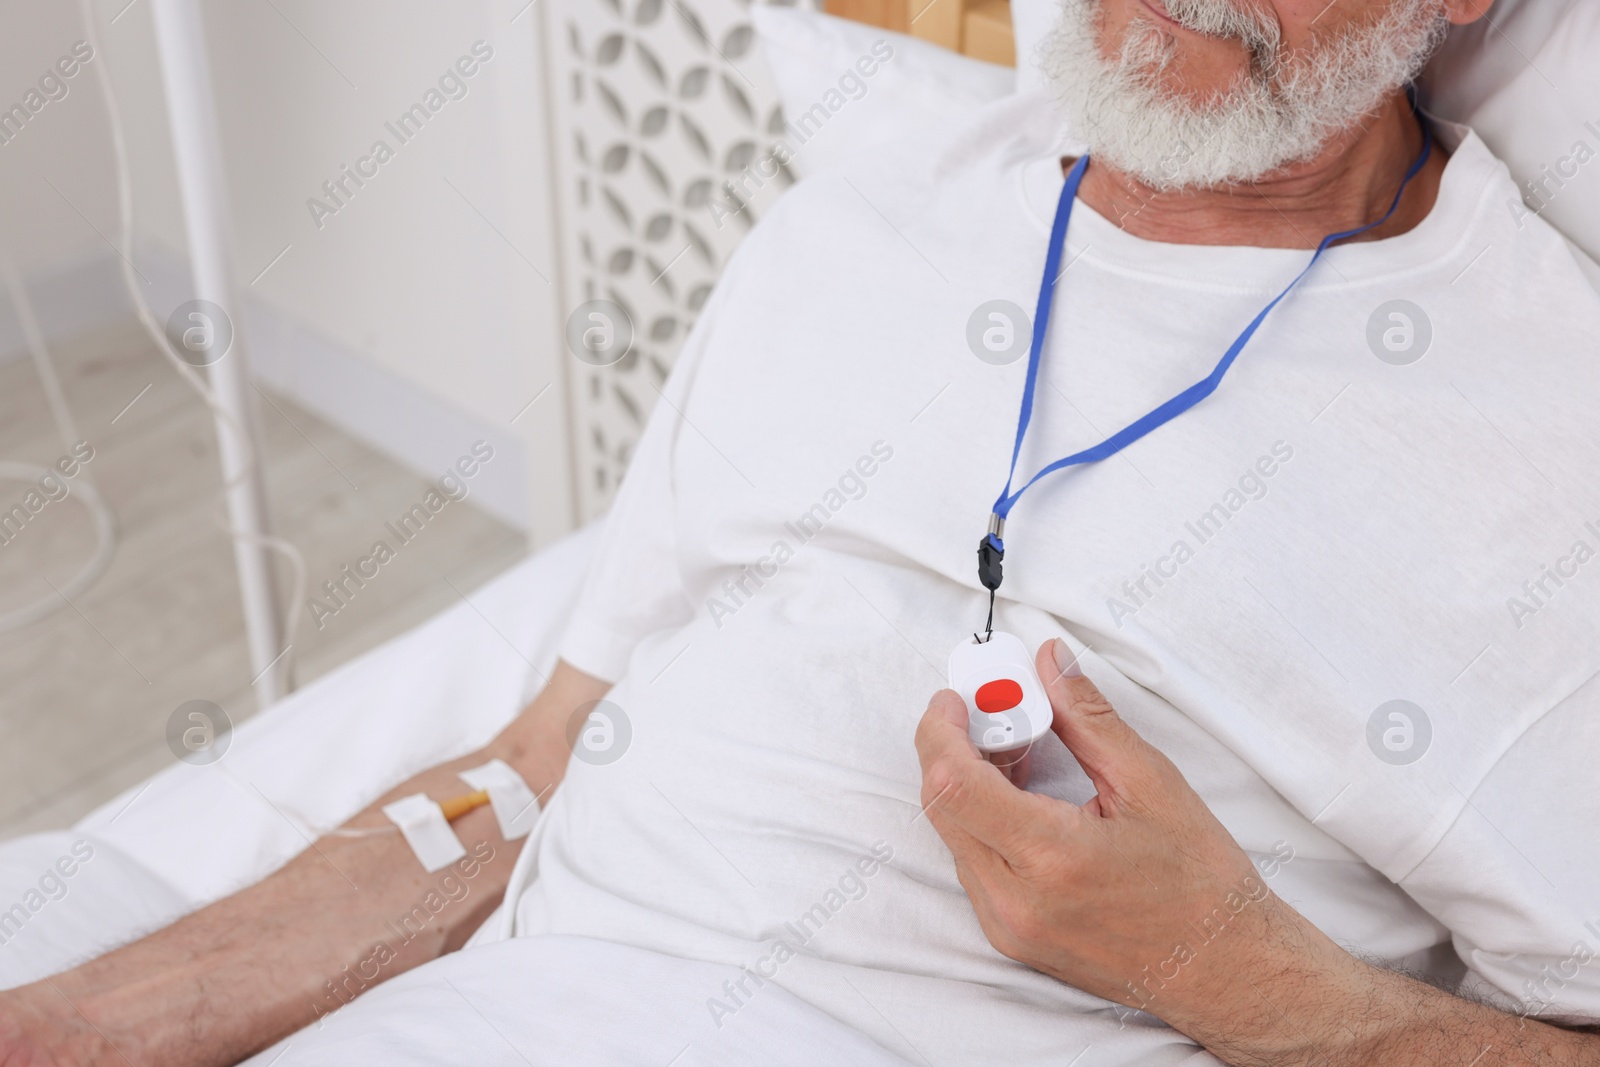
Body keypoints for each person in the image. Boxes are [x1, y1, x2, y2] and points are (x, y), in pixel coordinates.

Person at [6, 0, 1600, 1063]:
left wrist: (1231, 972)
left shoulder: (1538, 426)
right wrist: (70, 1025)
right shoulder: (865, 218)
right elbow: (530, 772)